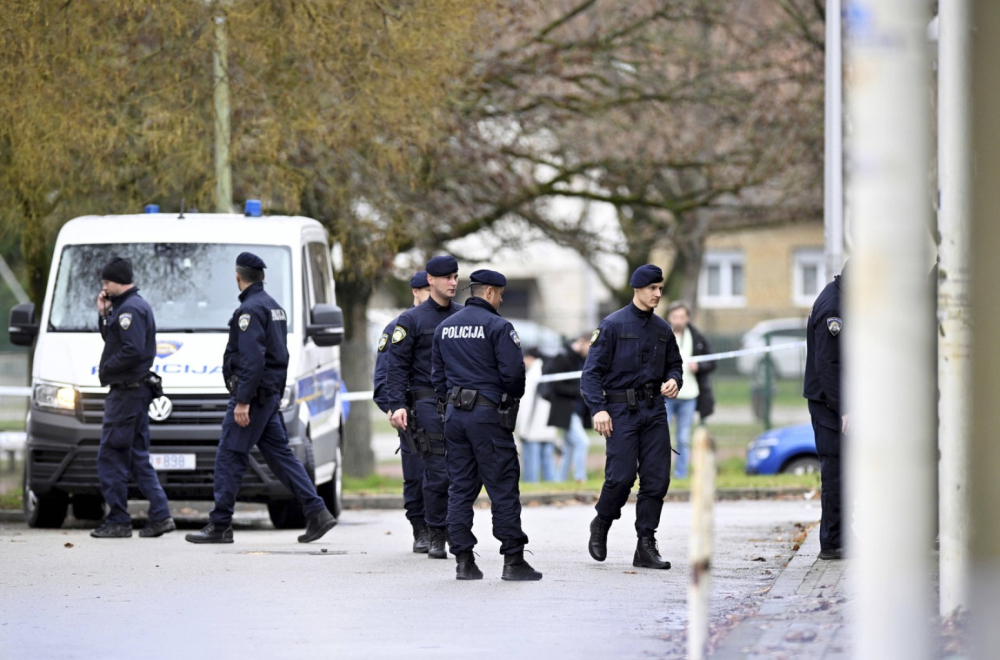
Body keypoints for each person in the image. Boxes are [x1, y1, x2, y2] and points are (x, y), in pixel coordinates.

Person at [186, 252, 336, 544]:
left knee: (229, 456)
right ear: (262, 276)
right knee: (281, 457)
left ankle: (219, 525)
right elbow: (281, 355)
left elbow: (253, 360)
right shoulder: (274, 308)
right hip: (267, 397)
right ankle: (318, 512)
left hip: (253, 398)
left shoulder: (250, 311)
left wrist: (243, 401)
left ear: (237, 276)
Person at [431, 269, 542, 581]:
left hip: (454, 416)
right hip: (487, 416)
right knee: (503, 486)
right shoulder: (499, 326)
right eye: (501, 294)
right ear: (491, 292)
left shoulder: (445, 327)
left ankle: (463, 561)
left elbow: (437, 377)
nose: (502, 300)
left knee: (460, 488)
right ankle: (513, 560)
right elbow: (514, 375)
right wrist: (506, 399)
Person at [581, 264, 683, 570]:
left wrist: (675, 380)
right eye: (652, 288)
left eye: (660, 289)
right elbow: (591, 374)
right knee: (621, 477)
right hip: (620, 412)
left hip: (654, 411)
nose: (657, 294)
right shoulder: (612, 325)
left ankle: (645, 543)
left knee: (657, 480)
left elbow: (674, 364)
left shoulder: (663, 329)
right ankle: (602, 522)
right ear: (637, 289)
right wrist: (598, 408)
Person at [90, 257, 175, 539]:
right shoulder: (125, 307)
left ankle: (118, 519)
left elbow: (133, 351)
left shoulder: (131, 310)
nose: (104, 288)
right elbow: (114, 340)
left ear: (118, 281)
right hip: (134, 392)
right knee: (137, 456)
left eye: (106, 282)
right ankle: (160, 515)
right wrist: (104, 314)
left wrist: (106, 369)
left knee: (111, 455)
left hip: (127, 393)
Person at [385, 255, 462, 559]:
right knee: (437, 472)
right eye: (447, 278)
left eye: (456, 277)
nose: (453, 283)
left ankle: (457, 529)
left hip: (459, 402)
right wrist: (397, 405)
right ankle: (436, 533)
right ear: (430, 280)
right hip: (426, 402)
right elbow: (396, 367)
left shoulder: (463, 315)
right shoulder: (411, 320)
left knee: (462, 472)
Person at [373, 270, 433, 552]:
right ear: (416, 292)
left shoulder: (449, 321)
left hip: (445, 410)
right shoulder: (398, 327)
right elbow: (384, 377)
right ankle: (421, 528)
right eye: (426, 292)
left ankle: (443, 527)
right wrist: (393, 406)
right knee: (416, 473)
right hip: (412, 412)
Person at [803, 263, 846, 561]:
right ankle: (832, 542)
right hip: (830, 405)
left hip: (834, 403)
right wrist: (845, 407)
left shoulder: (841, 297)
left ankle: (842, 536)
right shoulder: (834, 307)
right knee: (835, 472)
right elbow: (828, 365)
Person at [663, 301, 716, 479]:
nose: (678, 320)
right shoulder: (661, 335)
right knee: (660, 437)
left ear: (687, 318)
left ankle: (681, 474)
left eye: (682, 317)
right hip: (666, 395)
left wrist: (699, 366)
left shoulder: (697, 337)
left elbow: (712, 361)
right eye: (675, 317)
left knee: (683, 438)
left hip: (689, 395)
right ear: (669, 317)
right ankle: (660, 473)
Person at [542, 333, 592, 483]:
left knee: (570, 447)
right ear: (582, 342)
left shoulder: (581, 360)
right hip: (566, 410)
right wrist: (578, 392)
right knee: (582, 442)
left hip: (576, 410)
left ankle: (560, 480)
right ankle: (580, 477)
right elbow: (554, 386)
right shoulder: (563, 357)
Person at [516, 348, 558, 483]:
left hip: (532, 428)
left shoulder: (531, 375)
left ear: (530, 358)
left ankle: (531, 484)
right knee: (548, 462)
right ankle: (550, 487)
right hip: (548, 427)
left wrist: (521, 427)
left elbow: (525, 405)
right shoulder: (548, 371)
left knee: (531, 463)